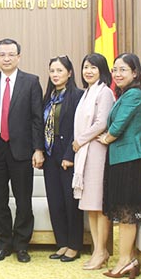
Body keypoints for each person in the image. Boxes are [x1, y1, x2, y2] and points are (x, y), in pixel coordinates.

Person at [0, 38, 44, 263]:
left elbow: (37, 119)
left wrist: (38, 149)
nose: (6, 58)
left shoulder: (31, 82)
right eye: (2, 54)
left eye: (11, 54)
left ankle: (22, 245)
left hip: (22, 149)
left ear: (18, 57)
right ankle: (4, 244)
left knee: (23, 200)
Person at [99, 53, 141, 279]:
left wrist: (106, 138)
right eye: (115, 70)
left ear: (135, 73)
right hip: (120, 159)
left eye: (123, 70)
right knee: (123, 211)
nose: (117, 74)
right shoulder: (124, 94)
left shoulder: (134, 95)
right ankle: (128, 259)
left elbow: (118, 126)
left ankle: (124, 261)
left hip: (130, 160)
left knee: (128, 213)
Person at [71, 53, 115, 270]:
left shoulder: (104, 92)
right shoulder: (87, 92)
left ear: (102, 70)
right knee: (90, 205)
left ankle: (101, 250)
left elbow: (101, 123)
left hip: (96, 151)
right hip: (85, 153)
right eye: (85, 67)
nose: (88, 71)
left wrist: (80, 140)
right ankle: (98, 250)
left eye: (93, 67)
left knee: (98, 205)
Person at [42, 55, 84, 262]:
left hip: (68, 154)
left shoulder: (78, 95)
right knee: (55, 200)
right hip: (50, 154)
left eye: (59, 70)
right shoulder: (48, 97)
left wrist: (70, 155)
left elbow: (79, 128)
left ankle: (74, 245)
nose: (55, 74)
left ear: (69, 73)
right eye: (52, 71)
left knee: (70, 202)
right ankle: (62, 243)